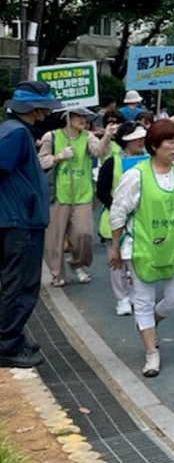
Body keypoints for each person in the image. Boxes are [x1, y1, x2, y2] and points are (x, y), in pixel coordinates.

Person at [108, 120, 174, 378]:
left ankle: (150, 323)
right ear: (154, 146)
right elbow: (118, 212)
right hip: (143, 248)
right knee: (143, 301)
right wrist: (115, 247)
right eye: (170, 142)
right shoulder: (136, 176)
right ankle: (151, 354)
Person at [0, 81, 63, 367]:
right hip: (20, 223)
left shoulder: (13, 131)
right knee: (21, 284)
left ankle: (11, 337)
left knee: (16, 283)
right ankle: (8, 345)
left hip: (17, 219)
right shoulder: (16, 134)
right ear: (36, 109)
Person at [38, 106, 116, 286]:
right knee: (55, 239)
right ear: (67, 118)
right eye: (77, 116)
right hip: (58, 194)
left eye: (84, 117)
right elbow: (41, 162)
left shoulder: (87, 136)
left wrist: (107, 136)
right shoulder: (52, 137)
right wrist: (59, 156)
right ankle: (57, 274)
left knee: (84, 234)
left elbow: (99, 152)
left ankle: (77, 263)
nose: (83, 120)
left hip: (83, 194)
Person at [95, 122, 147, 316]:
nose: (141, 141)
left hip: (140, 219)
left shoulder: (147, 160)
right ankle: (121, 298)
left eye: (143, 137)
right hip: (114, 219)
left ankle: (134, 292)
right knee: (116, 260)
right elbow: (101, 191)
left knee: (136, 259)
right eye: (137, 138)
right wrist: (119, 210)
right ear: (126, 140)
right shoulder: (112, 162)